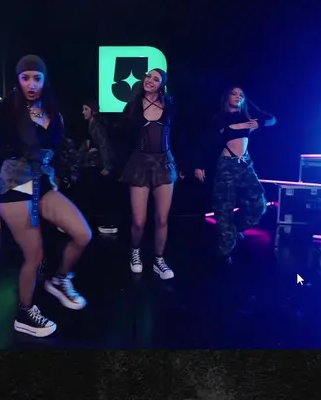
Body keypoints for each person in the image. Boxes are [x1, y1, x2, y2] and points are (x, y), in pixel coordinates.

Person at [0, 55, 92, 337]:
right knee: (34, 254)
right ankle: (24, 313)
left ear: (45, 80)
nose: (31, 84)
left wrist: (58, 176)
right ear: (18, 80)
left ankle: (59, 280)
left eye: (37, 78)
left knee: (83, 234)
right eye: (25, 78)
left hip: (41, 184)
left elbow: (57, 150)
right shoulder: (7, 110)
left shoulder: (53, 112)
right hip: (13, 187)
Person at [195, 86, 276, 261]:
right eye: (234, 94)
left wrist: (259, 123)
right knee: (224, 207)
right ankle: (224, 250)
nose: (238, 97)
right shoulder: (220, 118)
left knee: (259, 205)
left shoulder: (246, 115)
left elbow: (271, 119)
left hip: (246, 164)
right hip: (227, 165)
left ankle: (233, 229)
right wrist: (199, 165)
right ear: (227, 97)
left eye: (241, 95)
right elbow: (206, 141)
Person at [118, 68, 180, 280]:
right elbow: (122, 134)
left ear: (162, 85)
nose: (150, 80)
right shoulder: (133, 105)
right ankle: (135, 251)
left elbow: (179, 135)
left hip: (165, 163)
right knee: (139, 220)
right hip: (140, 163)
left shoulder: (169, 105)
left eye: (156, 79)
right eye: (148, 76)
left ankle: (159, 260)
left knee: (162, 218)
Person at [78, 100, 120, 235]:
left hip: (98, 166)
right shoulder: (93, 124)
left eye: (86, 109)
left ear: (93, 110)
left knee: (98, 195)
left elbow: (104, 145)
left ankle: (105, 223)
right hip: (96, 165)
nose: (83, 112)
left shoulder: (96, 125)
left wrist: (107, 166)